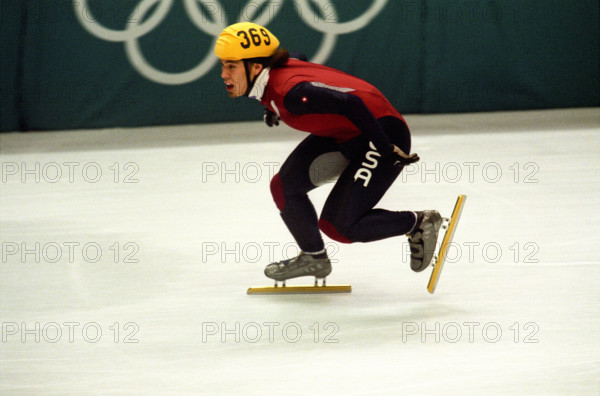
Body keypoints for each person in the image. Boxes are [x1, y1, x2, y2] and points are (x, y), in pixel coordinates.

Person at [214, 22, 442, 284]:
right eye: (222, 65)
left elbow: (351, 103)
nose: (223, 74)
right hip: (345, 134)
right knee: (284, 187)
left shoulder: (291, 93)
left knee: (339, 227)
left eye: (230, 66)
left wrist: (385, 148)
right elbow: (298, 57)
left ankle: (418, 223)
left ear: (256, 68)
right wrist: (270, 108)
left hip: (382, 133)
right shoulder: (273, 76)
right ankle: (314, 257)